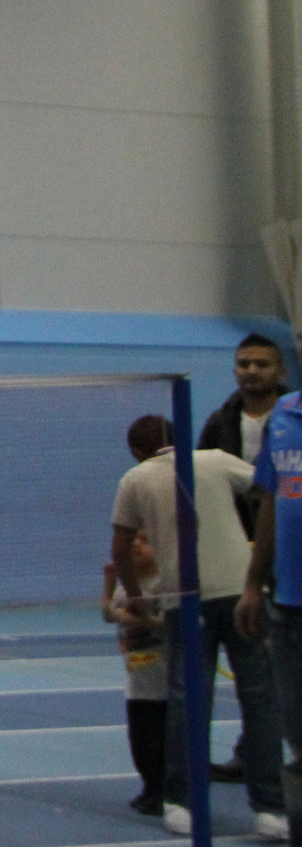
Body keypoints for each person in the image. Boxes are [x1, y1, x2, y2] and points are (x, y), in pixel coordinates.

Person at [110, 413, 282, 839]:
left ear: (135, 449)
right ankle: (271, 807)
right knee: (259, 699)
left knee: (189, 700)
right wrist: (261, 563)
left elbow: (119, 547)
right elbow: (270, 492)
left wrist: (138, 599)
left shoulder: (134, 478)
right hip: (240, 591)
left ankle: (180, 801)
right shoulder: (219, 461)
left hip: (184, 600)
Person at [202, 334, 287, 783]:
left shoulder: (293, 419)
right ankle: (251, 750)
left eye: (261, 364)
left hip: (288, 550)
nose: (252, 371)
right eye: (244, 363)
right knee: (256, 661)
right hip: (238, 553)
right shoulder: (219, 423)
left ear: (281, 372)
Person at [239, 382, 302, 846]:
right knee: (297, 734)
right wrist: (252, 583)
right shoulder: (283, 415)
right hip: (287, 602)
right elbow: (270, 503)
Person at [104, 531, 167, 816]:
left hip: (163, 683)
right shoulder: (125, 588)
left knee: (162, 742)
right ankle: (150, 787)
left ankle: (164, 790)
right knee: (140, 744)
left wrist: (126, 616)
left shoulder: (164, 585)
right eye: (133, 542)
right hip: (137, 682)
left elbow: (166, 625)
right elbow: (108, 613)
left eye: (146, 539)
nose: (138, 546)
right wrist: (108, 583)